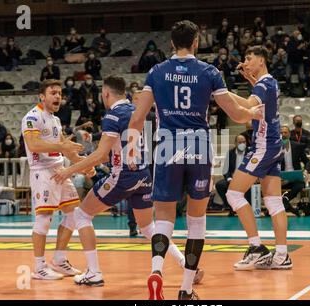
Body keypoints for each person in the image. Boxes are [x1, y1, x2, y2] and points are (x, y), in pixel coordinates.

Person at [127, 20, 261, 300]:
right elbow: (236, 114)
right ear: (197, 42)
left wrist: (130, 146)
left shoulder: (156, 71)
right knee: (196, 221)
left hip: (166, 145)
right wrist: (254, 114)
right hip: (198, 145)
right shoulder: (209, 72)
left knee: (163, 218)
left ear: (172, 44)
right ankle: (186, 289)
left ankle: (156, 270)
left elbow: (138, 118)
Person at [51, 76, 203, 287]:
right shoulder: (136, 111)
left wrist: (70, 170)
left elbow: (101, 155)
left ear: (105, 93)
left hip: (123, 176)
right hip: (144, 175)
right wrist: (91, 154)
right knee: (148, 227)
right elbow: (108, 153)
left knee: (82, 215)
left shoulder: (113, 115)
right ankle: (185, 264)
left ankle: (94, 272)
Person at [224, 46, 292, 272]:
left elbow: (248, 105)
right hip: (272, 145)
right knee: (273, 201)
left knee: (233, 194)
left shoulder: (264, 84)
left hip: (263, 145)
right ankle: (282, 255)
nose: (245, 61)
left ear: (261, 60)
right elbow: (259, 102)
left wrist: (219, 91)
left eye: (249, 58)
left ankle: (255, 247)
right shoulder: (267, 83)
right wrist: (251, 79)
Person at [21, 79, 87, 280]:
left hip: (59, 169)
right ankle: (39, 267)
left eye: (59, 93)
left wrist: (85, 166)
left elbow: (64, 148)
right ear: (42, 96)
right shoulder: (33, 116)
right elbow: (33, 145)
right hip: (42, 171)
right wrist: (63, 148)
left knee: (74, 213)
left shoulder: (56, 120)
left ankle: (59, 259)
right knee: (44, 217)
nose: (58, 96)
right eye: (53, 93)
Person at [215, 134, 251, 216]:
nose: (242, 144)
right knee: (220, 185)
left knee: (249, 187)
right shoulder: (230, 153)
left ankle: (247, 206)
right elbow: (225, 170)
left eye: (244, 142)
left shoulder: (250, 153)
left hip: (247, 179)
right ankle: (230, 206)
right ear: (235, 143)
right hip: (233, 179)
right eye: (239, 142)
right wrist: (229, 179)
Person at [280, 126, 310, 216]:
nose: (283, 135)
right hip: (280, 179)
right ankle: (292, 208)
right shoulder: (275, 148)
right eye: (281, 133)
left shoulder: (297, 146)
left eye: (285, 132)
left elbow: (307, 161)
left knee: (300, 184)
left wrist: (306, 170)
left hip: (295, 178)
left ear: (289, 134)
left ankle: (285, 198)